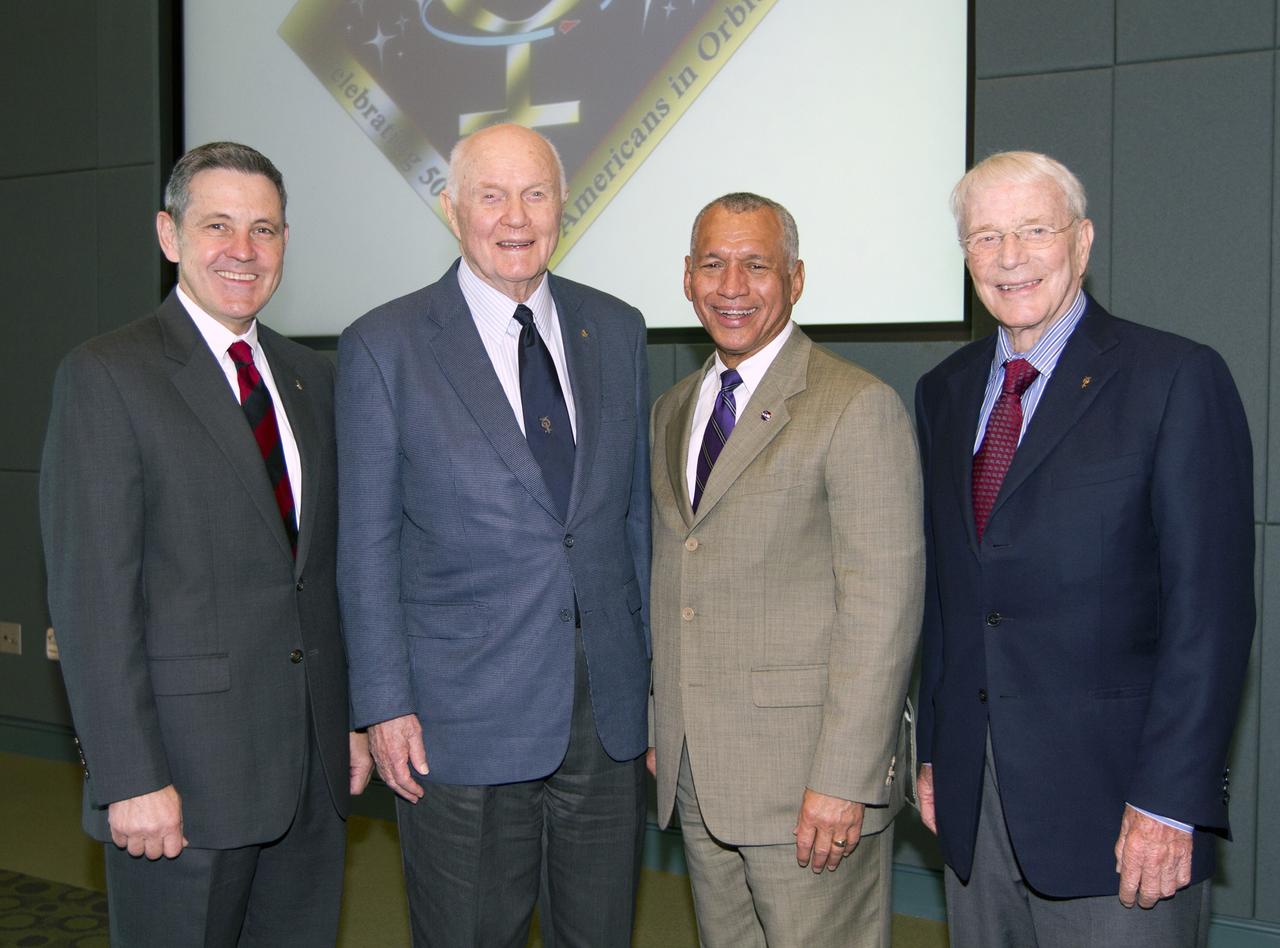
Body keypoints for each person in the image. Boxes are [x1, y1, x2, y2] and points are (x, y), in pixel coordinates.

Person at [915, 151, 1255, 947]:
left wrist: (1172, 802)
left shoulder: (1175, 378)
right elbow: (949, 597)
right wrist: (936, 753)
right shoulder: (945, 391)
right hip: (979, 799)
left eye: (1035, 230)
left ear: (1084, 240)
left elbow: (1210, 615)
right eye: (986, 236)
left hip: (1122, 810)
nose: (1010, 257)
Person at [39, 141, 371, 947]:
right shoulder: (108, 376)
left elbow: (323, 574)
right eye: (217, 224)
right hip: (182, 784)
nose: (243, 251)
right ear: (168, 234)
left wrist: (351, 722)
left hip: (310, 774)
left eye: (264, 229)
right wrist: (130, 777)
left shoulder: (310, 377)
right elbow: (93, 603)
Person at [336, 123, 651, 947]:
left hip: (604, 719)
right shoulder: (385, 345)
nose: (516, 216)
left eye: (536, 193)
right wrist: (382, 703)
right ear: (451, 209)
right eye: (491, 194)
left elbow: (630, 523)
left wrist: (656, 683)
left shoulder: (617, 329)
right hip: (456, 719)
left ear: (562, 207)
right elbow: (365, 545)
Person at [647, 192, 923, 948]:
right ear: (686, 277)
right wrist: (661, 723)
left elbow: (884, 610)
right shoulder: (673, 407)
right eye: (713, 263)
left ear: (795, 279)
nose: (731, 285)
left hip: (811, 788)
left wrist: (845, 779)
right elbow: (680, 575)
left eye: (756, 265)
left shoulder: (856, 406)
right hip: (701, 774)